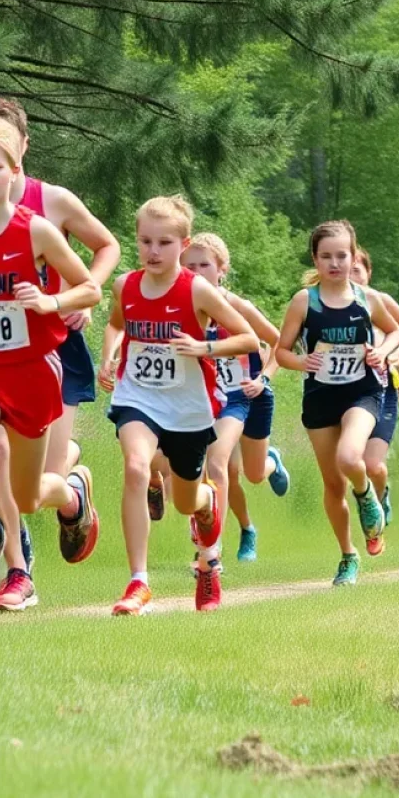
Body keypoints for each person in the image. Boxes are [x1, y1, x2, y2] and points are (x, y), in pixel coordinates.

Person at [0, 97, 120, 611]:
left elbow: (94, 279)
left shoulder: (40, 222)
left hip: (34, 363)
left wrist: (55, 301)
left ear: (17, 163)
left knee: (30, 493)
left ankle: (72, 494)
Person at [99, 197, 258, 615]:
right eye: (145, 241)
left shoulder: (197, 289)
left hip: (188, 409)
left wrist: (204, 346)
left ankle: (208, 544)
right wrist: (109, 355)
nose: (153, 251)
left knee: (187, 502)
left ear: (183, 246)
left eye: (164, 243)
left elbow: (248, 339)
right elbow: (117, 323)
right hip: (138, 396)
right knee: (136, 466)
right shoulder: (125, 286)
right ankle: (138, 582)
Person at [276, 220, 399, 587]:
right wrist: (301, 362)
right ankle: (348, 555)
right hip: (320, 397)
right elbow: (281, 351)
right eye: (326, 256)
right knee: (332, 486)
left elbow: (395, 330)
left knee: (350, 458)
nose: (335, 263)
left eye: (342, 255)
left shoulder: (367, 299)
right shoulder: (304, 301)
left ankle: (366, 497)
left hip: (362, 391)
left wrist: (382, 351)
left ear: (352, 256)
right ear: (315, 259)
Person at [181, 233, 289, 564]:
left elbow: (280, 345)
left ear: (222, 269)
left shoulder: (238, 307)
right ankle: (219, 547)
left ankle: (272, 461)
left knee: (253, 474)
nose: (197, 271)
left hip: (247, 395)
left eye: (205, 265)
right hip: (210, 400)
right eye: (190, 265)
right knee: (218, 465)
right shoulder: (182, 306)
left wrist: (263, 378)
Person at [351, 247, 399, 527]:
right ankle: (365, 506)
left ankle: (381, 495)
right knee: (352, 461)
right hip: (345, 393)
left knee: (373, 465)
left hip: (382, 390)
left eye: (356, 270)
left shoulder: (379, 300)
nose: (350, 275)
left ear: (368, 272)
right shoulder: (327, 303)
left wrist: (394, 354)